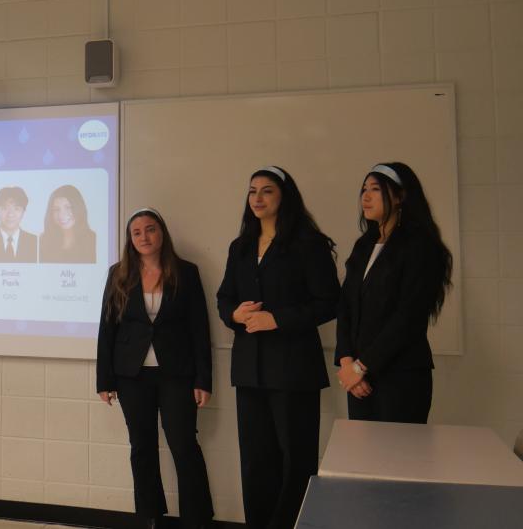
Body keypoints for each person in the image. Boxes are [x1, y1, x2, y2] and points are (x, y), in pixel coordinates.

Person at [216, 165, 339, 529]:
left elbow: (329, 302)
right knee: (256, 460)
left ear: (285, 197)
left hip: (293, 370)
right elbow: (224, 299)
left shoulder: (308, 244)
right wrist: (234, 315)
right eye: (252, 191)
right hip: (249, 370)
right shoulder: (240, 246)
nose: (257, 198)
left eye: (267, 190)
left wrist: (277, 319)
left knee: (295, 459)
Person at [96, 208, 213, 529]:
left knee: (184, 445)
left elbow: (199, 329)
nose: (144, 237)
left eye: (150, 229)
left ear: (162, 233)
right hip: (131, 376)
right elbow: (107, 328)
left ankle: (198, 520)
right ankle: (150, 517)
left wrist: (204, 379)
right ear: (130, 239)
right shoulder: (118, 274)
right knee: (142, 447)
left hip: (177, 374)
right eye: (137, 232)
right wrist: (104, 380)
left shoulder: (186, 272)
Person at [334, 162, 453, 424]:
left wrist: (361, 366)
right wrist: (347, 362)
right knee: (361, 450)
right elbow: (345, 306)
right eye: (364, 189)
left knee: (399, 450)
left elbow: (409, 316)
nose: (365, 196)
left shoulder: (420, 246)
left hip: (401, 375)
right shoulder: (364, 245)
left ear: (400, 196)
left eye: (375, 189)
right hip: (357, 379)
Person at [39, 185, 97, 263]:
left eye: (68, 207)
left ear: (79, 208)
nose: (61, 215)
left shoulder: (93, 239)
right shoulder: (43, 240)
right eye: (56, 209)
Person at [0, 186, 38, 263]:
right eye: (4, 208)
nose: (10, 214)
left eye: (16, 209)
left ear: (23, 212)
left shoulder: (34, 241)